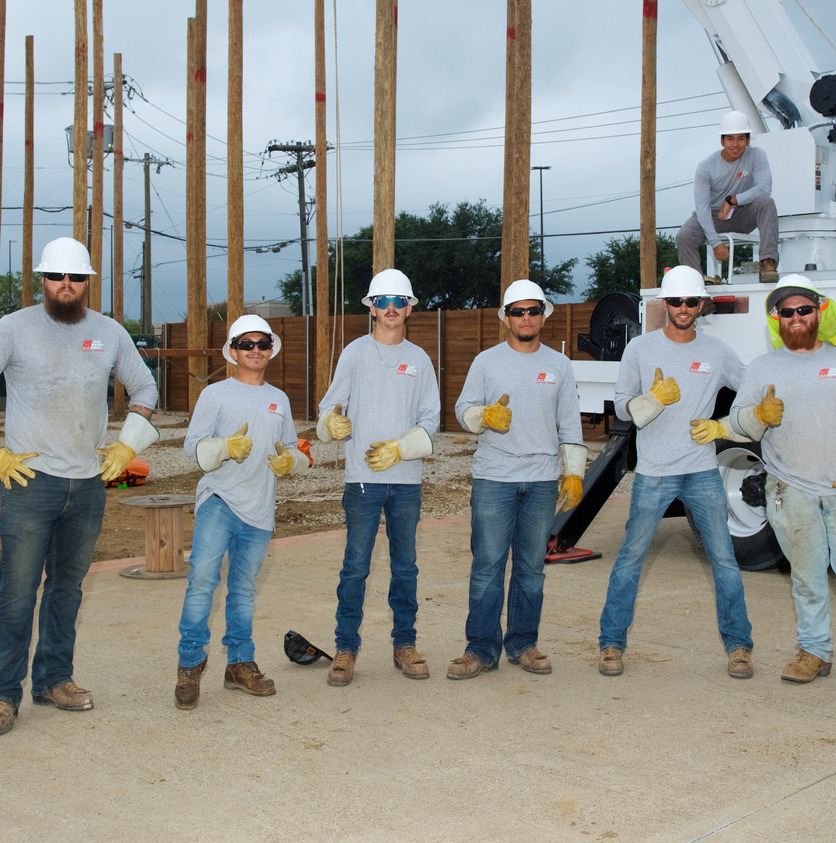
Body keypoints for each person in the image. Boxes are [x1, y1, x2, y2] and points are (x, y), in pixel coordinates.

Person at [0, 236, 160, 737]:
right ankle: (2, 695)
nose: (67, 284)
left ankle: (53, 680)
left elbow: (145, 387)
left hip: (87, 485)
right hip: (29, 483)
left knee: (66, 590)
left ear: (88, 282)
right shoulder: (13, 329)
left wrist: (127, 445)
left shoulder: (108, 332)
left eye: (76, 277)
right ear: (42, 279)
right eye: (57, 276)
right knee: (17, 592)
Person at [698, 273, 836, 698]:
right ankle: (814, 652)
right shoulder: (763, 367)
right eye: (786, 311)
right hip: (789, 490)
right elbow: (737, 423)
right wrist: (759, 416)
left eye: (803, 309)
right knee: (807, 578)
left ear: (818, 312)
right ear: (776, 319)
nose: (795, 317)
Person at [598, 264, 774, 678]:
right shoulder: (640, 349)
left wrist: (729, 424)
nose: (682, 307)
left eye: (690, 301)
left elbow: (751, 388)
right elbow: (621, 405)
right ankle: (611, 644)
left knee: (724, 561)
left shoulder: (717, 352)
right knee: (630, 559)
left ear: (700, 305)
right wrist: (651, 400)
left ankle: (739, 647)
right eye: (676, 301)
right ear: (664, 303)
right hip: (654, 473)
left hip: (702, 472)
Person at [449, 280, 586, 679]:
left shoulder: (559, 365)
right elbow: (462, 408)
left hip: (541, 482)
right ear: (506, 319)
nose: (526, 317)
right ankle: (481, 648)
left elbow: (569, 422)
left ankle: (523, 643)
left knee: (531, 569)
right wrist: (482, 416)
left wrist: (574, 473)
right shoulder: (486, 362)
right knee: (487, 567)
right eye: (518, 312)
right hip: (494, 479)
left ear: (543, 316)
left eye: (533, 311)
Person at [174, 314, 309, 710]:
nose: (255, 350)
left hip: (260, 508)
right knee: (202, 581)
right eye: (246, 344)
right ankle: (189, 665)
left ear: (271, 351)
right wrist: (222, 448)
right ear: (232, 352)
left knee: (244, 589)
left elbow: (292, 448)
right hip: (219, 500)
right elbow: (192, 446)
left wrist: (292, 462)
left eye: (262, 344)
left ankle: (239, 665)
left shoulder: (279, 400)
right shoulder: (215, 395)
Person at [317, 269, 440, 686]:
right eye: (382, 301)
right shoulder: (354, 354)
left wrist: (402, 448)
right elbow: (330, 407)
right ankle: (346, 648)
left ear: (409, 309)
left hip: (407, 482)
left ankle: (405, 644)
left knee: (405, 568)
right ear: (371, 308)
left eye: (398, 301)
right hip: (362, 480)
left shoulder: (419, 360)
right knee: (355, 567)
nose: (390, 308)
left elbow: (431, 419)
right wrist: (330, 423)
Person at [676, 110, 780, 283]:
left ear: (748, 140)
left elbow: (764, 188)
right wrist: (715, 242)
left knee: (766, 203)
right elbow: (702, 208)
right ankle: (694, 284)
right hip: (713, 216)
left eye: (741, 138)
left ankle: (768, 263)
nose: (735, 144)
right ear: (722, 140)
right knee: (684, 235)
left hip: (743, 213)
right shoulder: (706, 167)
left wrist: (733, 200)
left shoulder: (756, 155)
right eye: (730, 138)